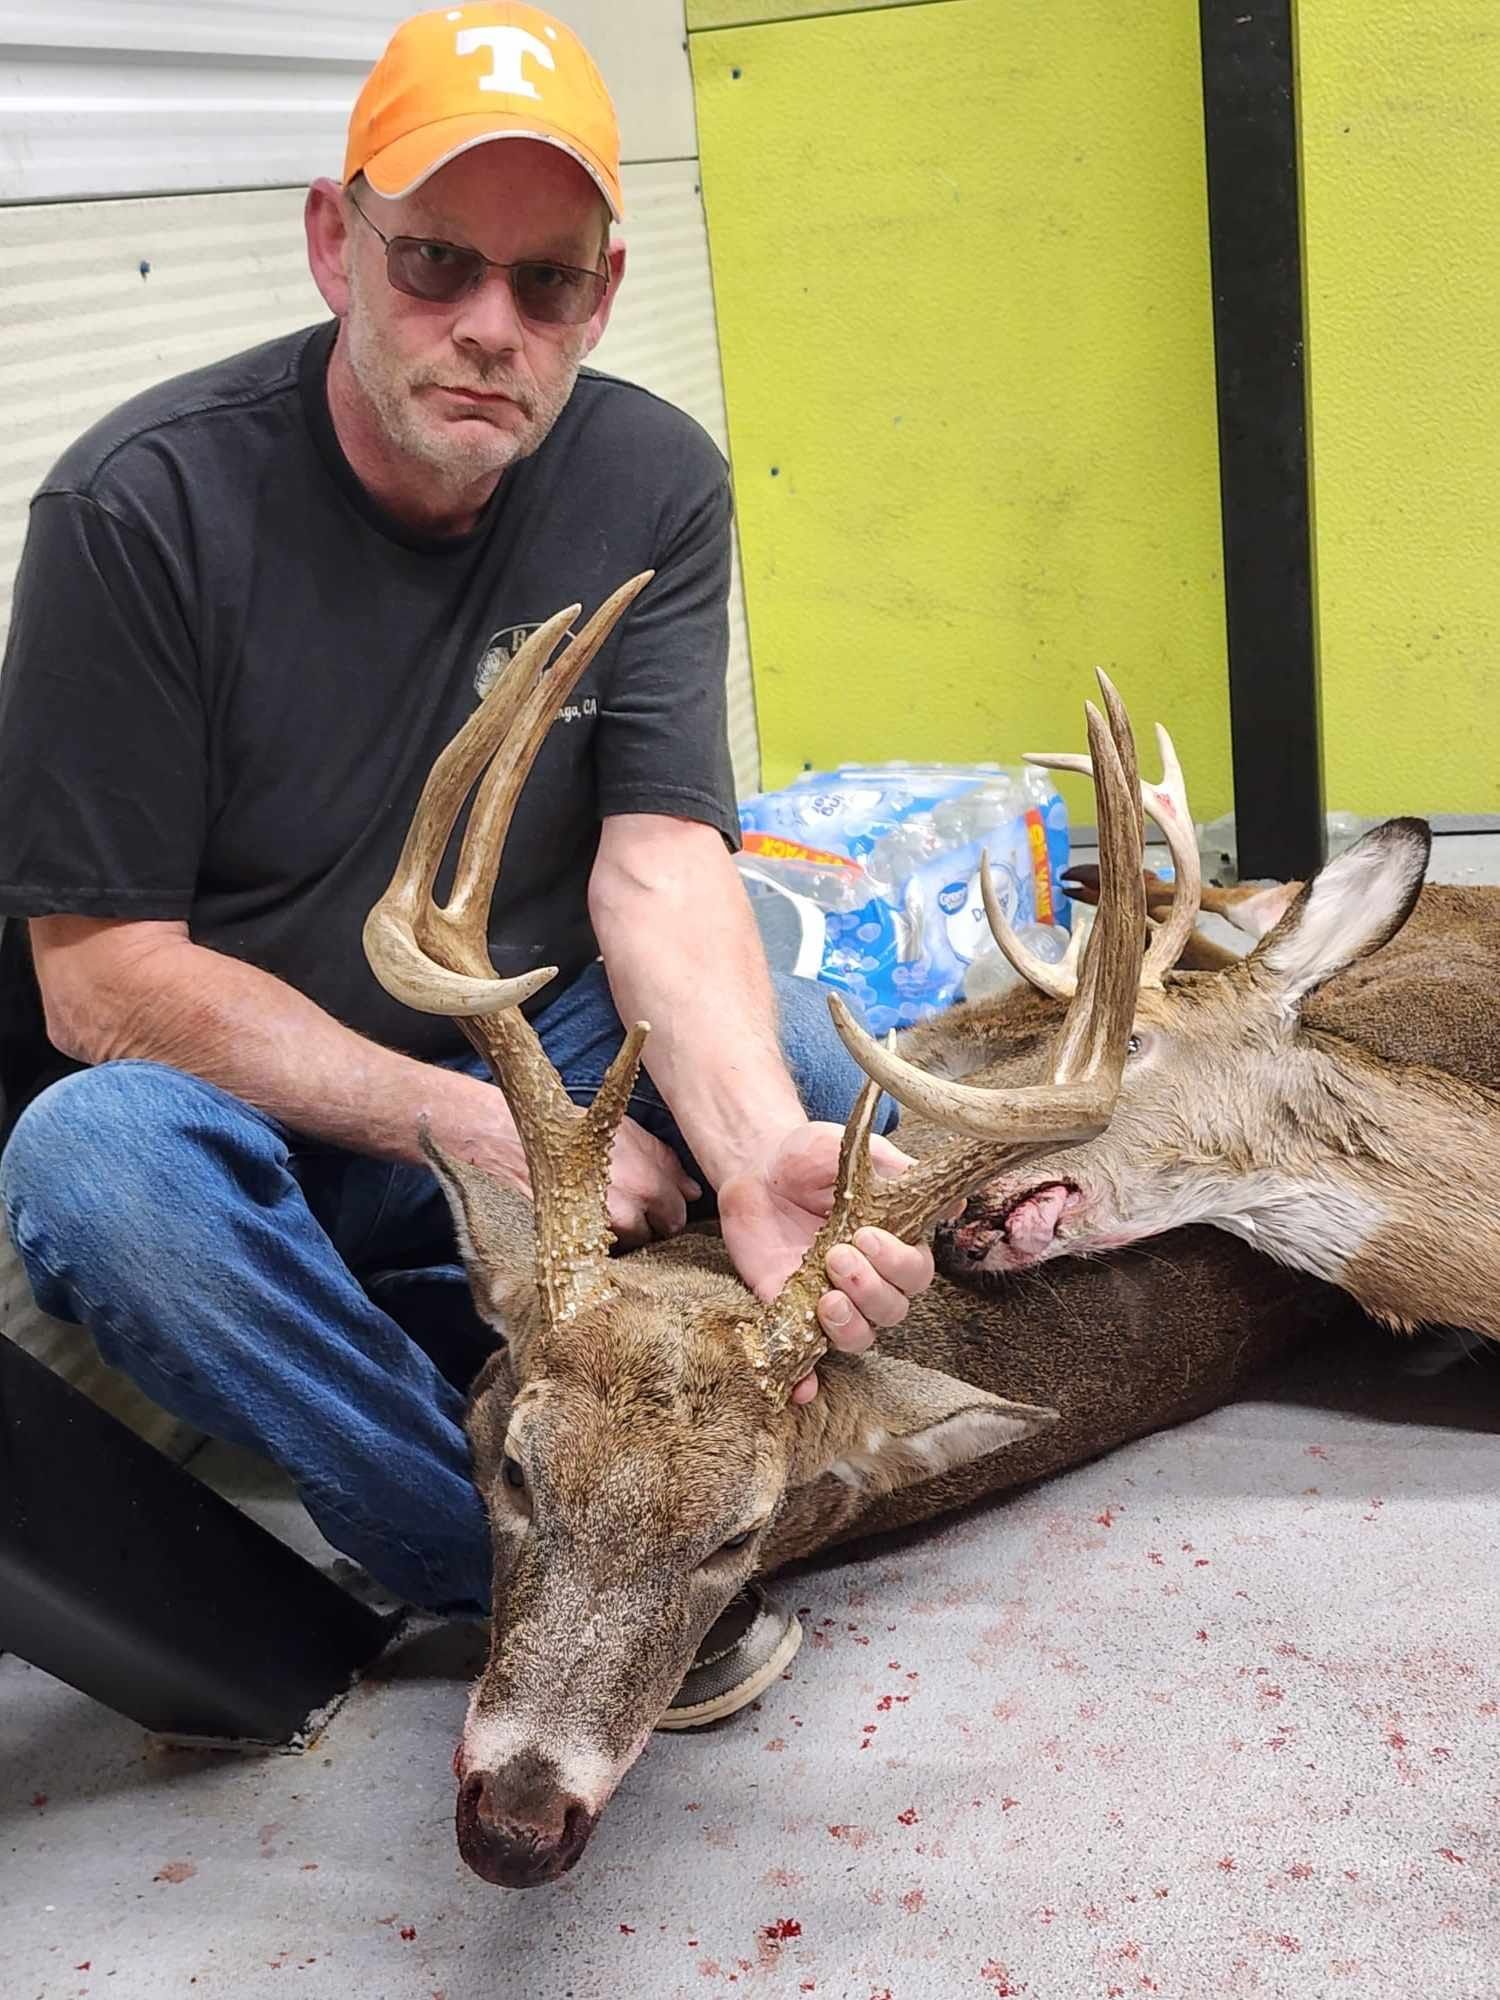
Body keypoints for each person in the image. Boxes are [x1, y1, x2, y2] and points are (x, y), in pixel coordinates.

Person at [0, 3, 933, 1720]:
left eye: (547, 282)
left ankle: (596, 1428)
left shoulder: (652, 478)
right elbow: (100, 980)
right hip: (286, 1107)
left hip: (548, 1055)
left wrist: (737, 1159)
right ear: (330, 244)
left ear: (604, 287)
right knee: (92, 1169)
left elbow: (658, 863)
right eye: (435, 263)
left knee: (799, 1065)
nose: (487, 328)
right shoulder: (134, 512)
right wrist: (467, 1124)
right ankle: (521, 1558)